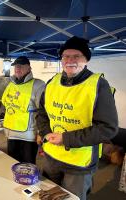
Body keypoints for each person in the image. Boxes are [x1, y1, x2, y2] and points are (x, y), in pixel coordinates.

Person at [36, 36, 118, 200]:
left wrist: (65, 139)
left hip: (79, 163)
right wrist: (45, 132)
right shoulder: (53, 81)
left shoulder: (98, 85)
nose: (70, 60)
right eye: (66, 56)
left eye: (76, 56)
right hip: (51, 157)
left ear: (86, 59)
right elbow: (42, 113)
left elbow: (107, 128)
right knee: (47, 196)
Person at [1, 56, 45, 164]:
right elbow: (4, 102)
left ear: (29, 68)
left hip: (28, 135)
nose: (17, 68)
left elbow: (43, 111)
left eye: (21, 66)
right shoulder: (11, 84)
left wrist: (41, 132)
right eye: (16, 66)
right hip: (11, 132)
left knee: (27, 165)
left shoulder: (38, 85)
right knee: (12, 163)